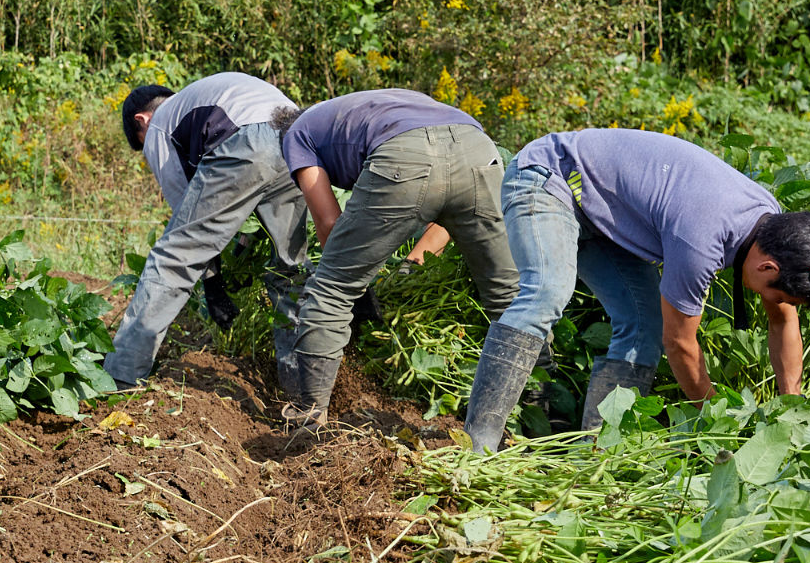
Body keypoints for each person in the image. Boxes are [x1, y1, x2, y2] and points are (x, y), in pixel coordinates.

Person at [463, 127, 810, 452]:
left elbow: (783, 320)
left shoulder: (770, 224)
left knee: (643, 326)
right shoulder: (703, 239)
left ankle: (595, 456)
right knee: (546, 292)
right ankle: (477, 444)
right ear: (767, 267)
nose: (779, 304)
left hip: (602, 214)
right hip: (550, 177)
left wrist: (791, 400)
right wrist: (717, 423)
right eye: (779, 294)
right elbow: (680, 343)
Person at [275, 88, 518, 436]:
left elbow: (328, 222)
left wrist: (354, 288)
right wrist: (413, 261)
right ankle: (538, 413)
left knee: (330, 290)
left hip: (405, 156)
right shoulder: (377, 105)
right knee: (510, 296)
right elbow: (447, 195)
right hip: (477, 147)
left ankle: (309, 423)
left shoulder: (296, 134)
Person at [104, 73, 311, 387]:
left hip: (246, 139)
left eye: (142, 145)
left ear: (142, 120)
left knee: (171, 261)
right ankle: (305, 392)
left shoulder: (160, 124)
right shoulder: (204, 97)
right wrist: (242, 248)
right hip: (294, 136)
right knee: (291, 270)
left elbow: (187, 234)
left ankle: (120, 375)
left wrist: (212, 285)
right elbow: (254, 195)